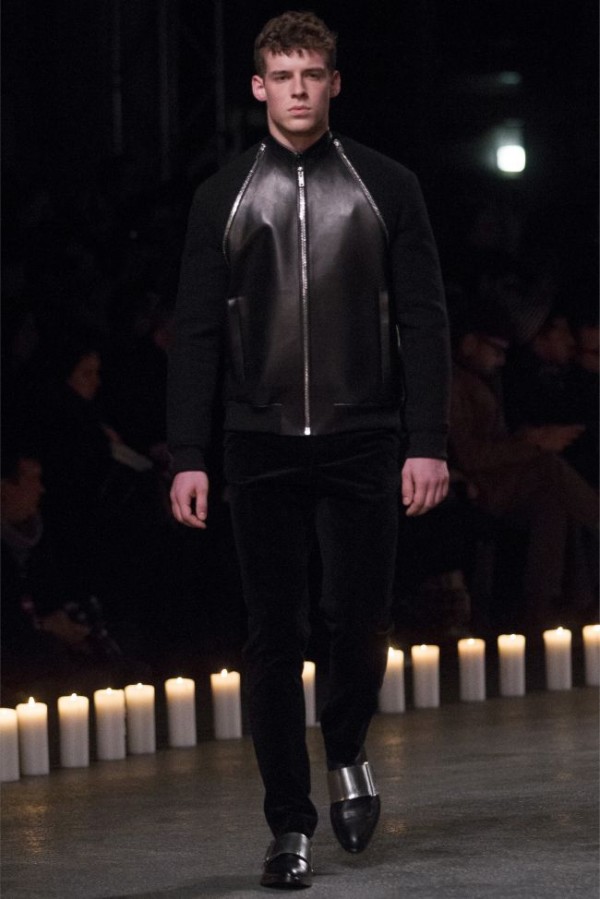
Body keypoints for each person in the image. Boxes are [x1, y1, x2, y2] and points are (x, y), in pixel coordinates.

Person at [168, 11, 450, 889]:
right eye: (283, 76)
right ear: (259, 86)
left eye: (312, 74)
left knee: (359, 620)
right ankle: (288, 824)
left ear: (334, 83)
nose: (298, 89)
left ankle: (349, 743)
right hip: (257, 442)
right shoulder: (222, 195)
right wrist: (187, 451)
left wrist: (427, 439)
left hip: (364, 435)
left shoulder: (387, 184)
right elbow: (196, 330)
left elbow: (423, 317)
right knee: (273, 633)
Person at [448, 308, 599, 632]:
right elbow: (470, 455)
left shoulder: (484, 381)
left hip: (500, 480)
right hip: (477, 486)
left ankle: (546, 606)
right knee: (548, 467)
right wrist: (534, 445)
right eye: (495, 350)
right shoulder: (454, 385)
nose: (501, 360)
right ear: (470, 343)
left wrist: (528, 439)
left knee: (552, 501)